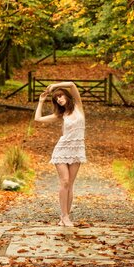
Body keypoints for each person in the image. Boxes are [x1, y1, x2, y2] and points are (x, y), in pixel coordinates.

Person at [34, 81, 86, 227]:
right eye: (57, 98)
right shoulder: (61, 115)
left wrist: (54, 86)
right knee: (64, 181)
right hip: (62, 150)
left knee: (70, 184)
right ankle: (64, 216)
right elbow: (37, 119)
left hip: (77, 149)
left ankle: (65, 217)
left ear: (67, 96)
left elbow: (72, 85)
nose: (59, 99)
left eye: (61, 96)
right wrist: (41, 101)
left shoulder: (78, 107)